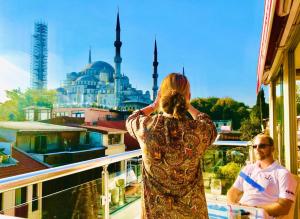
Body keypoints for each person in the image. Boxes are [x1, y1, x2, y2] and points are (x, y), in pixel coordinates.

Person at [126, 73, 217, 219]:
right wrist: (189, 105)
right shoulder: (198, 130)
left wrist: (154, 105)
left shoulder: (146, 127)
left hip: (157, 213)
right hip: (192, 212)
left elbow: (131, 119)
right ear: (189, 97)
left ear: (160, 95)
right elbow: (210, 126)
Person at [227, 134, 297, 218]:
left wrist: (252, 210)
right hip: (241, 214)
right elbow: (233, 191)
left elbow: (284, 207)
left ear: (272, 148)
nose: (257, 149)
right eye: (254, 146)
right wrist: (232, 206)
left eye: (262, 146)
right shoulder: (247, 169)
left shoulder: (283, 174)